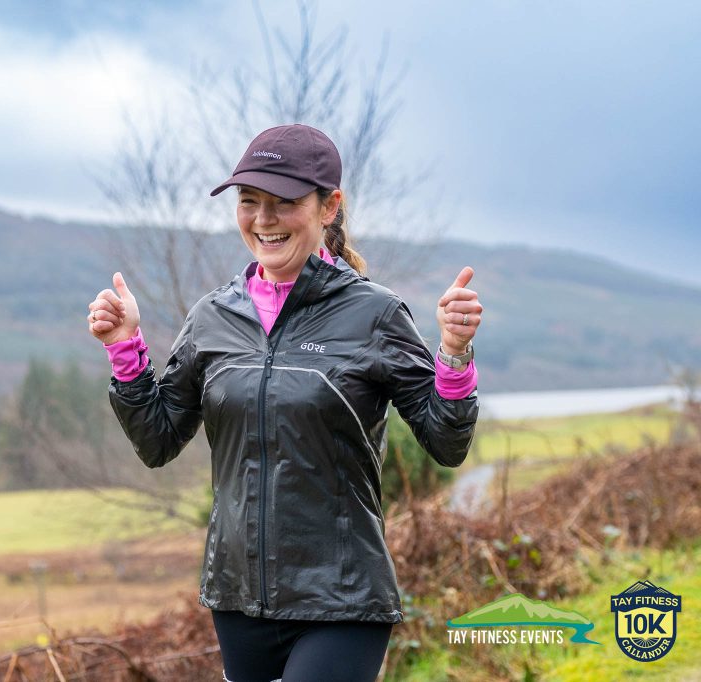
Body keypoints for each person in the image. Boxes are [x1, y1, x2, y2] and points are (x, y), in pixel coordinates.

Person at [86, 124, 481, 682]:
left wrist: (454, 354)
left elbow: (446, 442)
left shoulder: (375, 315)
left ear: (329, 207)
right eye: (249, 201)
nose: (263, 219)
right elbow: (157, 441)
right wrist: (125, 348)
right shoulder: (213, 317)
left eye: (285, 202)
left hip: (343, 597)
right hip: (238, 599)